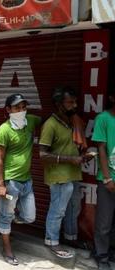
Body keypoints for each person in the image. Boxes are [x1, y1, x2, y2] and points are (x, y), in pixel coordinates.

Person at [39, 87, 93, 259]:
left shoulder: (72, 122)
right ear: (58, 104)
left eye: (75, 102)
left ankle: (70, 238)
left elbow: (70, 148)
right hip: (59, 176)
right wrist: (70, 159)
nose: (75, 105)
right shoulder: (50, 125)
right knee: (58, 210)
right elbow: (43, 154)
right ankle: (52, 241)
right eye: (70, 102)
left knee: (73, 209)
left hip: (73, 173)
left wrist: (82, 158)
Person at [0, 94, 41, 265]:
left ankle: (4, 221)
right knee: (6, 216)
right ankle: (7, 249)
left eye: (23, 107)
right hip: (11, 182)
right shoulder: (4, 130)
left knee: (29, 217)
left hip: (27, 181)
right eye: (17, 108)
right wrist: (0, 184)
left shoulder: (31, 121)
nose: (21, 110)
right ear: (8, 110)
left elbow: (50, 121)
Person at [92, 91, 115, 270]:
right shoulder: (104, 118)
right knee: (104, 223)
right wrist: (107, 178)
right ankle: (102, 257)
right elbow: (101, 149)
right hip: (108, 179)